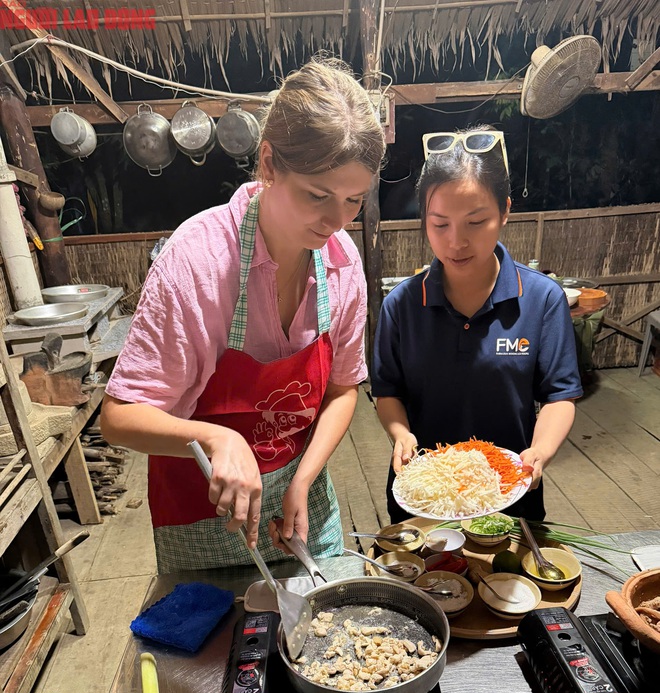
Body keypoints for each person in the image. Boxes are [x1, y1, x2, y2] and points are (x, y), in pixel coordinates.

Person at [101, 58, 386, 573]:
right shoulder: (199, 261)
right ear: (269, 162)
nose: (336, 221)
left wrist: (303, 478)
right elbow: (120, 418)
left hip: (303, 506)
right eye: (318, 196)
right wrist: (218, 436)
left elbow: (344, 388)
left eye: (354, 201)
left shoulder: (341, 263)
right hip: (200, 515)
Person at [371, 127, 583, 523]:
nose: (456, 242)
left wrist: (541, 450)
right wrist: (400, 434)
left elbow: (559, 396)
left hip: (509, 492)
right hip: (424, 497)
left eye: (475, 222)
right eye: (440, 224)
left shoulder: (541, 299)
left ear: (504, 211)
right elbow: (387, 392)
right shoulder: (401, 305)